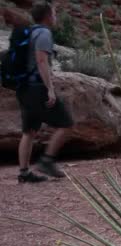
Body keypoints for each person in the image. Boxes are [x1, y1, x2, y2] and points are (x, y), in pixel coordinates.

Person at [16, 1, 73, 183]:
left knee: (29, 131)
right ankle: (47, 161)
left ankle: (24, 173)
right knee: (66, 124)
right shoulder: (44, 33)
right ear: (48, 16)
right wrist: (50, 89)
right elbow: (41, 61)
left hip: (24, 87)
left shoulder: (29, 32)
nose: (55, 17)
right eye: (55, 14)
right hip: (37, 88)